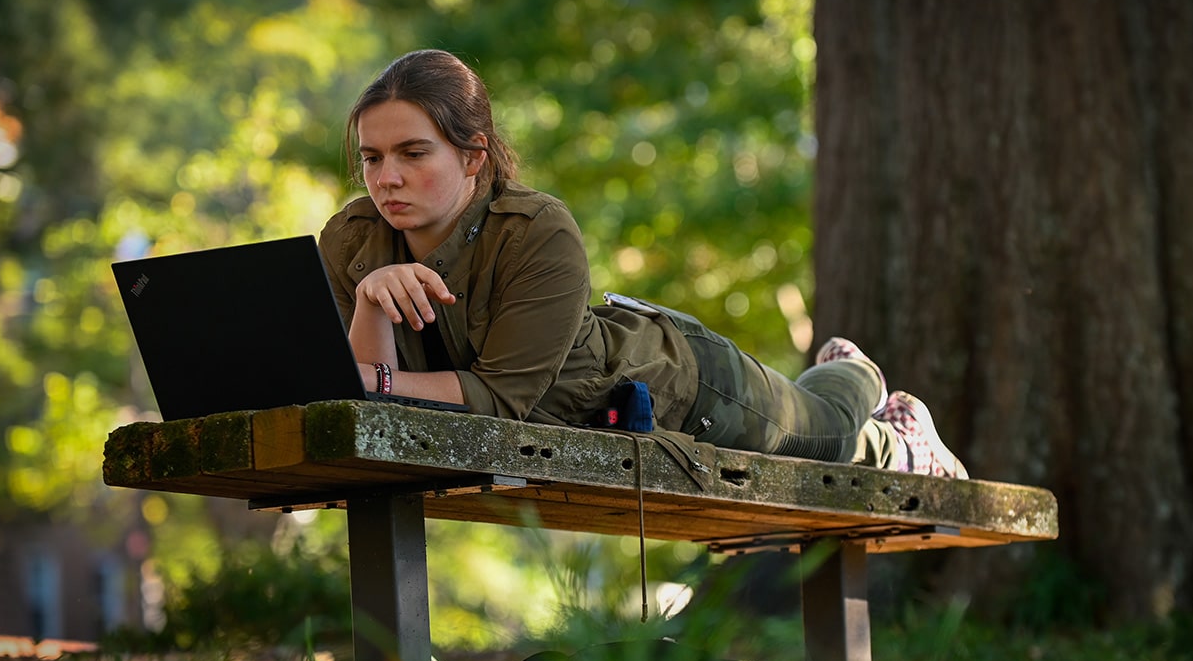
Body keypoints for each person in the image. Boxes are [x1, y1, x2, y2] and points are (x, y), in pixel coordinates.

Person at [319, 49, 967, 479]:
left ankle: (872, 392)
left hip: (682, 388)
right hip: (574, 424)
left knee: (827, 435)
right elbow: (356, 382)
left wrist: (365, 382)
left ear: (472, 155)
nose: (388, 178)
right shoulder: (350, 241)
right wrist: (372, 301)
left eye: (413, 153)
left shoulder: (537, 231)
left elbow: (495, 399)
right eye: (372, 158)